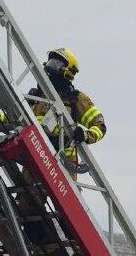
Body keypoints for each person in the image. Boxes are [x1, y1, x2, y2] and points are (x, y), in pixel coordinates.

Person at [29, 47, 106, 175]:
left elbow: (100, 126)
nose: (50, 67)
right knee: (26, 194)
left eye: (56, 64)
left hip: (63, 165)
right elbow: (14, 117)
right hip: (35, 155)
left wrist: (85, 135)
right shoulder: (36, 96)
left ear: (69, 71)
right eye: (50, 62)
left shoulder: (76, 99)